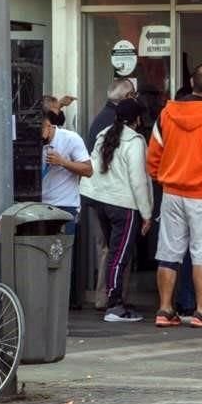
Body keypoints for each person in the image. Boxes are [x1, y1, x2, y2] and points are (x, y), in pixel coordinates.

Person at [148, 63, 202, 329]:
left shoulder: (167, 113)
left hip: (172, 192)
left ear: (191, 82)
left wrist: (162, 177)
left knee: (168, 252)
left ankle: (165, 310)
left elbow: (153, 155)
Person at [80, 98, 153, 322]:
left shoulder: (105, 135)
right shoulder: (135, 141)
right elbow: (138, 180)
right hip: (123, 205)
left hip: (100, 201)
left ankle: (114, 298)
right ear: (137, 119)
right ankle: (115, 305)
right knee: (119, 255)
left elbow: (94, 167)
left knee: (113, 253)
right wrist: (147, 213)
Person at [85, 78, 137, 311]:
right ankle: (112, 297)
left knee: (106, 248)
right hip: (116, 197)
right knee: (116, 249)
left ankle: (104, 296)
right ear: (126, 98)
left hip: (97, 197)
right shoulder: (116, 124)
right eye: (133, 95)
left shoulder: (99, 120)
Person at [41, 109, 93, 220]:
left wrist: (63, 162)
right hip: (38, 205)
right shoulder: (33, 141)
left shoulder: (71, 139)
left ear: (48, 126)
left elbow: (88, 170)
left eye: (40, 133)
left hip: (64, 205)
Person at [85, 79, 137, 152]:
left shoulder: (106, 115)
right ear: (128, 96)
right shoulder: (116, 119)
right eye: (134, 94)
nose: (135, 99)